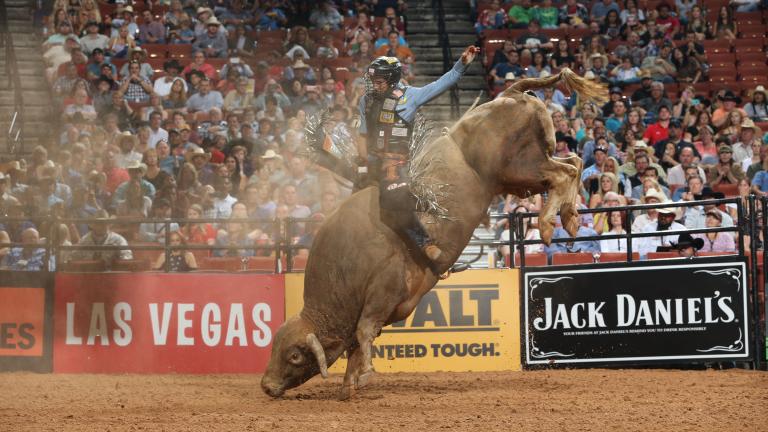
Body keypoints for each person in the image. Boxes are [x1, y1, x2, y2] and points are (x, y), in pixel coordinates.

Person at [355, 46, 478, 264]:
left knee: (394, 199)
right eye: (373, 80)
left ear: (392, 79)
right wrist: (363, 165)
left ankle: (424, 243)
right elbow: (362, 135)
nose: (375, 84)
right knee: (354, 207)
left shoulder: (410, 96)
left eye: (380, 80)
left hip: (396, 161)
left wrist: (461, 65)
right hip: (371, 160)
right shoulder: (366, 101)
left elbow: (440, 84)